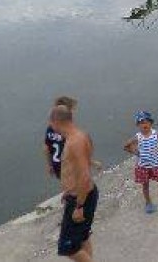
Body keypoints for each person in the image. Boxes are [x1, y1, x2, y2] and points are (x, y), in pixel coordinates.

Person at [49, 105, 98, 261]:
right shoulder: (81, 136)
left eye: (51, 123)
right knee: (83, 237)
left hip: (81, 198)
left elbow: (84, 175)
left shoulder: (74, 142)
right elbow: (81, 166)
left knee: (69, 248)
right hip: (83, 193)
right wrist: (68, 190)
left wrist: (79, 206)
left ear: (56, 122)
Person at [123, 111, 158, 213]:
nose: (144, 124)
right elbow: (126, 146)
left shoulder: (156, 134)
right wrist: (136, 153)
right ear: (138, 125)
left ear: (151, 123)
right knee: (145, 185)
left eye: (147, 122)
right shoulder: (137, 137)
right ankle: (148, 203)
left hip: (156, 164)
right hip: (143, 166)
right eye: (141, 123)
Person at [44, 96, 77, 180]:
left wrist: (49, 165)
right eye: (72, 110)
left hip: (57, 165)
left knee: (67, 184)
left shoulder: (50, 128)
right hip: (69, 166)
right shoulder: (68, 131)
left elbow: (46, 148)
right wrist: (91, 162)